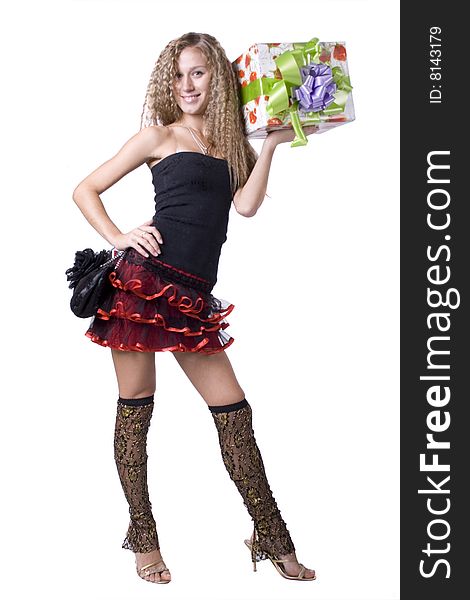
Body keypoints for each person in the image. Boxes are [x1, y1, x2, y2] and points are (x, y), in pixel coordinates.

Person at [72, 31, 317, 584]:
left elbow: (247, 206)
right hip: (142, 288)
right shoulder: (157, 136)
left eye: (199, 73)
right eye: (179, 74)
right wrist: (120, 236)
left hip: (192, 297)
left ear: (219, 79)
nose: (187, 85)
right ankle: (144, 539)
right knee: (137, 410)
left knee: (234, 414)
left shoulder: (232, 144)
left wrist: (272, 144)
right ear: (169, 80)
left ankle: (272, 538)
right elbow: (86, 189)